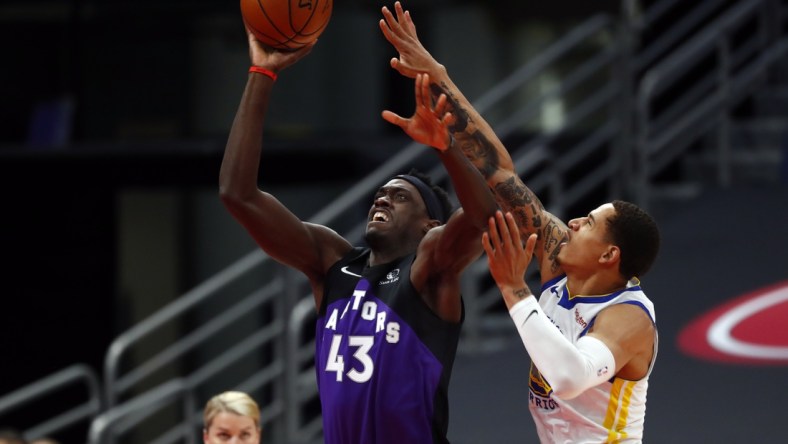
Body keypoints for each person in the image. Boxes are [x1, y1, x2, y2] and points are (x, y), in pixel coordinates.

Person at [381, 2, 661, 442]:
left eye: (588, 223)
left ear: (610, 255)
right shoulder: (555, 258)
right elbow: (501, 174)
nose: (570, 222)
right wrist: (439, 77)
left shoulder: (628, 318)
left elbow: (571, 377)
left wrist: (514, 288)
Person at [218, 22, 498, 444]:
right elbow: (238, 195)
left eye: (400, 197)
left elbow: (483, 219)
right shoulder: (332, 262)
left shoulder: (428, 272)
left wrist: (446, 146)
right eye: (380, 193)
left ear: (431, 226)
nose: (382, 200)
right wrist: (261, 73)